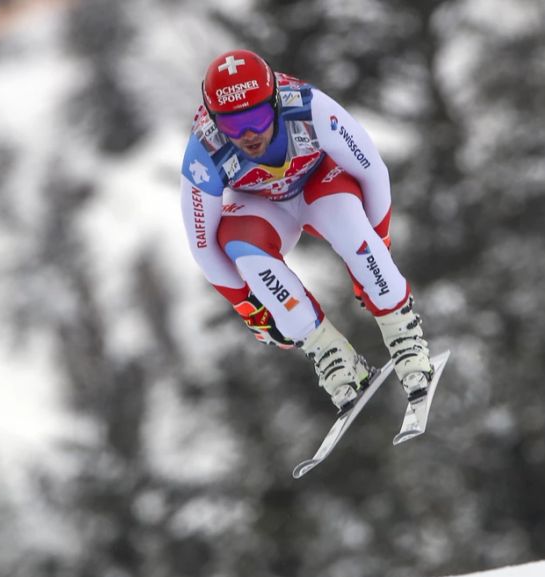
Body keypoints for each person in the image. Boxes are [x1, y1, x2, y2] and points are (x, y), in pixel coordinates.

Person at [179, 49, 432, 414]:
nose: (249, 134)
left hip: (319, 185)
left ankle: (404, 335)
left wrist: (380, 241)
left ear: (276, 101)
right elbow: (202, 246)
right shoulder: (204, 150)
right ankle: (330, 354)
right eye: (233, 125)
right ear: (216, 122)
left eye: (259, 116)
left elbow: (373, 171)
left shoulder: (310, 109)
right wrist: (250, 307)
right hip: (262, 207)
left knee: (356, 232)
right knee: (238, 248)